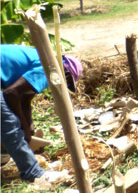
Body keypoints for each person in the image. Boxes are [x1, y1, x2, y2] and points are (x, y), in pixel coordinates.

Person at [1, 44, 81, 184]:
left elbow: (24, 99)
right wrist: (23, 127)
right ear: (66, 73)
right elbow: (11, 93)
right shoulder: (52, 68)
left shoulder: (42, 58)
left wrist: (29, 127)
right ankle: (34, 174)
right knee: (10, 124)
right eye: (66, 82)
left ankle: (4, 154)